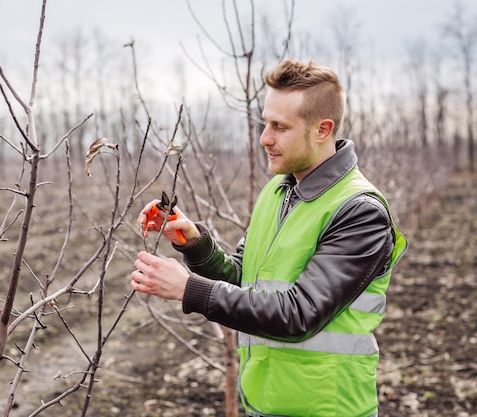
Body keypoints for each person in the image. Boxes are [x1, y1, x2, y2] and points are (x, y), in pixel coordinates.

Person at [131, 58, 408, 417]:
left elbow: (299, 314)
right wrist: (195, 242)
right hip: (265, 402)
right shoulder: (277, 191)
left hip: (326, 408)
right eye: (265, 123)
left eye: (280, 126)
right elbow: (245, 281)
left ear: (322, 129)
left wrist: (189, 289)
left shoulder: (359, 211)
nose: (265, 138)